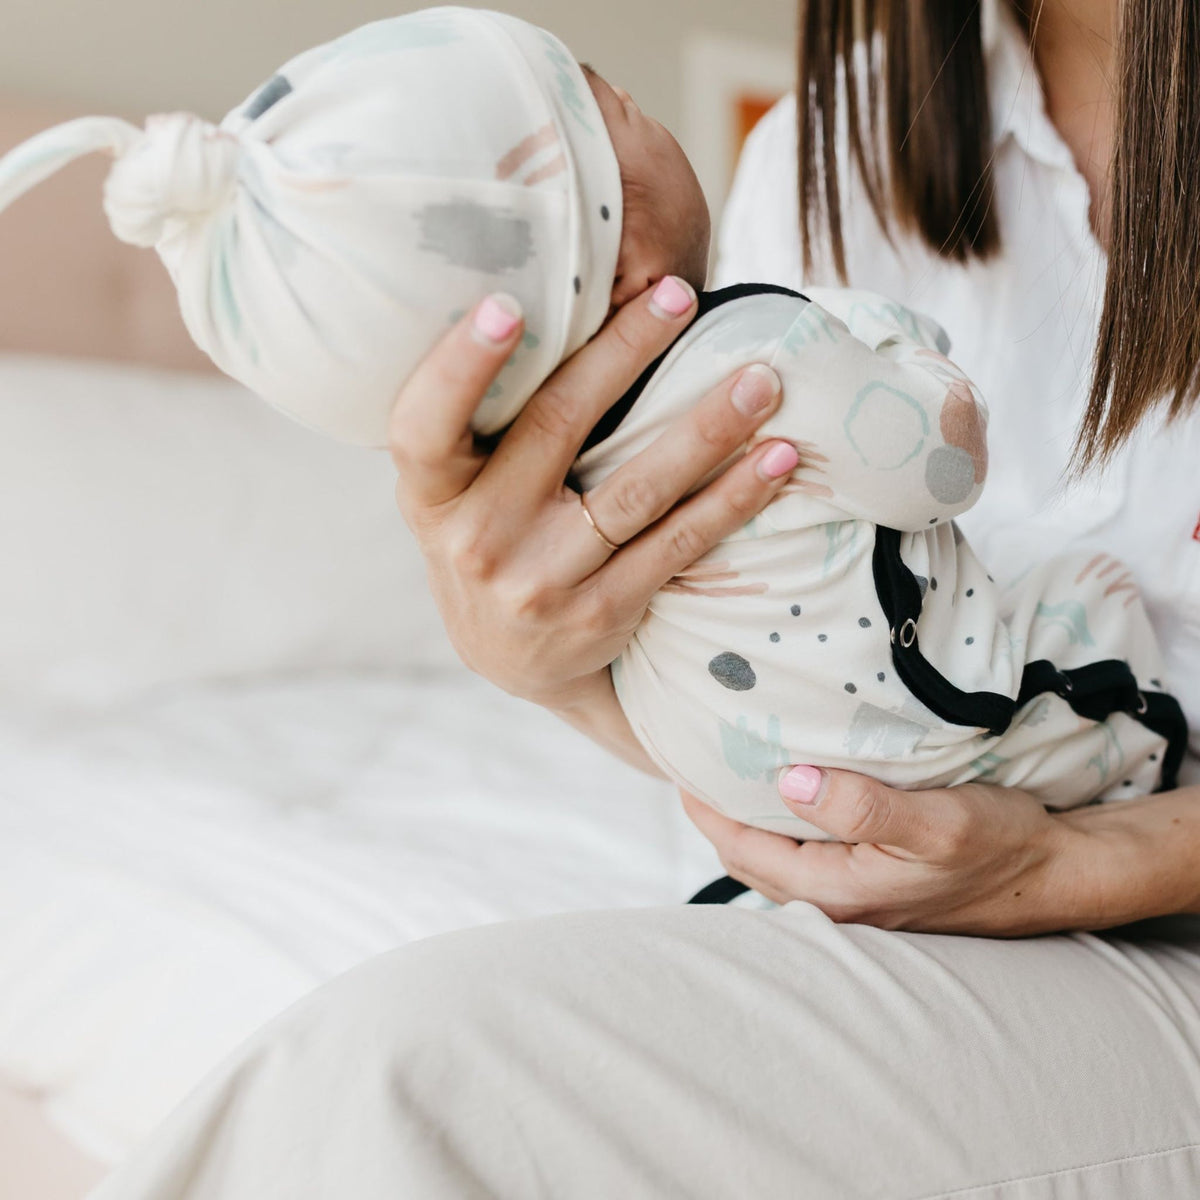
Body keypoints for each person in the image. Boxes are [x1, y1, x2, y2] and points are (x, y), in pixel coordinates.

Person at [92, 0, 1200, 1196]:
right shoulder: (843, 142)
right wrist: (562, 668)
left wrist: (1080, 868)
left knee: (403, 1074)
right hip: (934, 916)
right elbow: (804, 685)